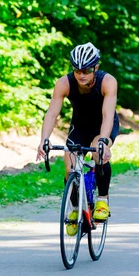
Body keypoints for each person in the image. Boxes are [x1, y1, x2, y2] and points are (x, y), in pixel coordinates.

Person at [36, 42, 119, 232]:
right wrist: (44, 140)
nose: (81, 75)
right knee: (70, 166)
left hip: (104, 125)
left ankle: (102, 200)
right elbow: (51, 114)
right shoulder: (64, 83)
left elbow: (107, 115)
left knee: (98, 151)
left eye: (86, 70)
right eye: (77, 70)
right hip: (80, 126)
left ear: (95, 67)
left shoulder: (107, 82)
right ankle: (75, 208)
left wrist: (104, 142)